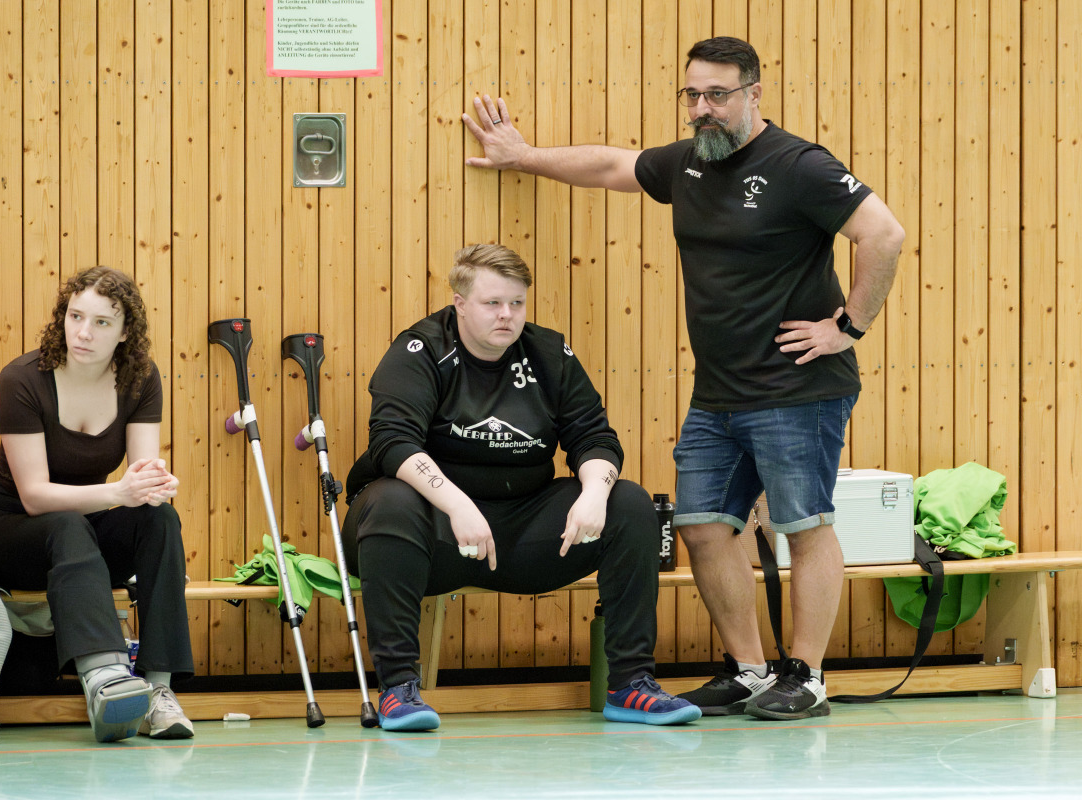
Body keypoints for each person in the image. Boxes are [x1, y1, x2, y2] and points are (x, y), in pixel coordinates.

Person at [463, 36, 905, 720]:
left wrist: (847, 326)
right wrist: (523, 156)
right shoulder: (690, 163)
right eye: (692, 94)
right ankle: (751, 672)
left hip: (796, 390)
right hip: (718, 395)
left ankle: (808, 677)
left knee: (803, 525)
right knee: (702, 528)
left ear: (754, 93)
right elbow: (612, 164)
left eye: (718, 95)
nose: (702, 108)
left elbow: (884, 233)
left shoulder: (799, 166)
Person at [343, 243, 700, 731]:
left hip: (521, 530)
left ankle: (630, 685)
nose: (507, 315)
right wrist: (458, 505)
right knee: (390, 500)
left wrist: (594, 495)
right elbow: (392, 442)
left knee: (630, 503)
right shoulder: (420, 350)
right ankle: (398, 689)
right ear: (460, 303)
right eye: (492, 303)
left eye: (517, 303)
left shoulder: (549, 353)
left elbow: (595, 438)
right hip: (432, 533)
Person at [0, 266, 194, 742]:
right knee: (67, 524)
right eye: (75, 316)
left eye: (101, 322)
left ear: (125, 332)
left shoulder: (140, 377)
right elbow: (34, 496)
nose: (83, 333)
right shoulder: (22, 379)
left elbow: (141, 476)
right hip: (9, 532)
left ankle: (158, 690)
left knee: (159, 518)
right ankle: (104, 681)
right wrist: (118, 493)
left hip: (80, 541)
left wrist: (155, 486)